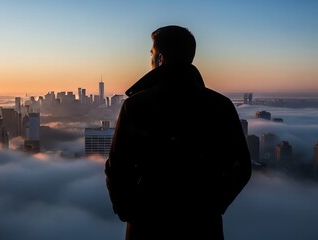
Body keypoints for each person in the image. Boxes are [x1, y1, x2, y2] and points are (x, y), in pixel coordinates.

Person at [105, 25, 252, 240]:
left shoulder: (137, 105)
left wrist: (129, 211)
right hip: (202, 226)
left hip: (148, 225)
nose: (151, 60)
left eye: (152, 54)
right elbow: (241, 168)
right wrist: (213, 205)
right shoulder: (220, 105)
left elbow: (118, 168)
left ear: (161, 58)